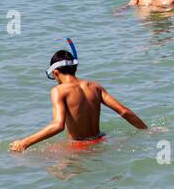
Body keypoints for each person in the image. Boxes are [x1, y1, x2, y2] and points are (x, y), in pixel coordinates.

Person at [10, 40, 147, 152]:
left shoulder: (59, 91)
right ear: (74, 68)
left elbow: (58, 125)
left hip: (80, 148)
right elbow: (124, 111)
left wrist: (25, 142)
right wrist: (147, 131)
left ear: (56, 73)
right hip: (101, 140)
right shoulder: (94, 86)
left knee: (50, 168)